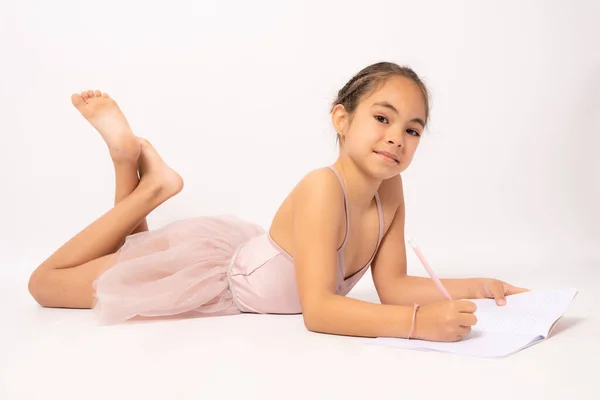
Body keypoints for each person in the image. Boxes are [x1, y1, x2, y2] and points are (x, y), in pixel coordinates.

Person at [27, 61, 528, 342]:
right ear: (341, 120)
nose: (397, 137)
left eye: (412, 129)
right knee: (45, 285)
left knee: (135, 257)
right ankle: (154, 187)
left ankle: (128, 163)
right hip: (219, 280)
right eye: (383, 118)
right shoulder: (321, 188)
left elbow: (394, 284)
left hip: (246, 262)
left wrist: (481, 287)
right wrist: (419, 326)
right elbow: (320, 311)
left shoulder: (390, 191)